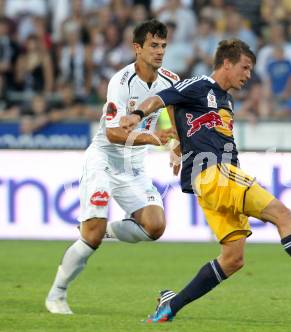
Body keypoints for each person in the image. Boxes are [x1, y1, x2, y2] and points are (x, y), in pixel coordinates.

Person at [120, 39, 291, 323]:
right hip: (213, 174)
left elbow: (184, 116)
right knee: (283, 215)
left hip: (214, 181)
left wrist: (180, 141)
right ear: (226, 64)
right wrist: (136, 114)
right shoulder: (199, 84)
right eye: (245, 68)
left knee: (233, 259)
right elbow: (162, 98)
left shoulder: (226, 100)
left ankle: (170, 307)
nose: (248, 75)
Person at [45, 19, 178, 315]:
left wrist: (178, 143)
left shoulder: (169, 79)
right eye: (153, 46)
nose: (159, 52)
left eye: (163, 46)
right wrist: (153, 137)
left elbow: (174, 110)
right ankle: (57, 294)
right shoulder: (121, 82)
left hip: (134, 165)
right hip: (104, 160)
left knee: (155, 226)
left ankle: (101, 230)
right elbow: (113, 133)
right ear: (137, 48)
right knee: (90, 236)